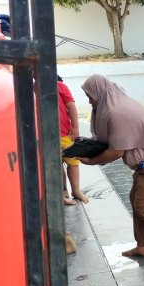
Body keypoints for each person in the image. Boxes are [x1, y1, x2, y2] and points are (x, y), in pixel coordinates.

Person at [79, 74, 144, 259]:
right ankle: (143, 246)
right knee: (136, 199)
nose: (90, 101)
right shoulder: (116, 105)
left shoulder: (117, 112)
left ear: (99, 93)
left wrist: (92, 161)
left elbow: (116, 151)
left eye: (90, 96)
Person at [57, 76, 88, 205]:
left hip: (66, 134)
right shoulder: (35, 87)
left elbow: (71, 106)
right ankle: (63, 194)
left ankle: (76, 190)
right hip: (47, 135)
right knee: (56, 165)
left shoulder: (60, 86)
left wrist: (75, 127)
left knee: (73, 162)